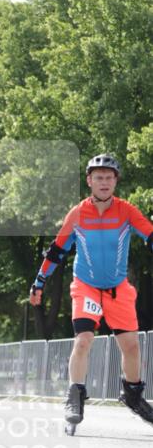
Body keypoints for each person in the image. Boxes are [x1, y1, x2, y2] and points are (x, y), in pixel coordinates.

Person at [29, 154, 153, 429]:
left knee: (131, 347)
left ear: (115, 182)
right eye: (99, 177)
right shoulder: (77, 214)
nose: (104, 182)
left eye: (109, 178)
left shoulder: (126, 211)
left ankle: (132, 395)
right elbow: (57, 250)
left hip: (118, 289)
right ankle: (75, 394)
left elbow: (150, 235)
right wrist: (39, 282)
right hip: (85, 286)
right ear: (90, 181)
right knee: (83, 339)